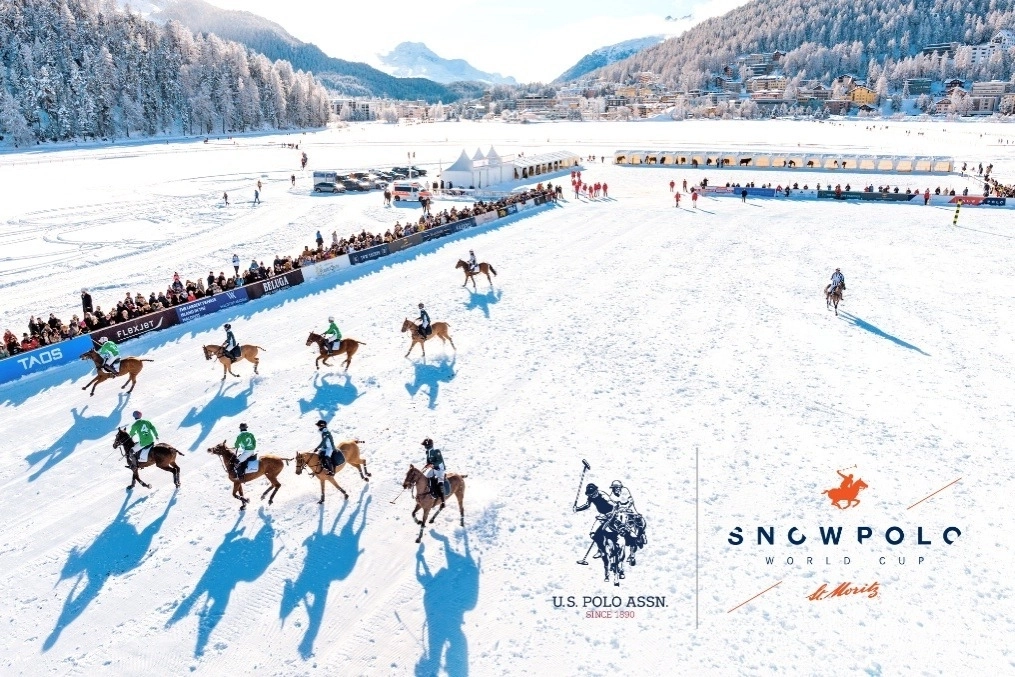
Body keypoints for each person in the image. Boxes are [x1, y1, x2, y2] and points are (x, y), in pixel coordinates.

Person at [421, 437, 446, 508]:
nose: (425, 447)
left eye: (425, 446)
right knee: (426, 478)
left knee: (440, 483)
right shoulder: (427, 453)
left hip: (440, 469)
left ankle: (443, 501)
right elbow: (428, 461)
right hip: (433, 469)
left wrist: (432, 464)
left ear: (429, 446)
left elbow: (440, 460)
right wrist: (427, 465)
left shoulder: (436, 451)